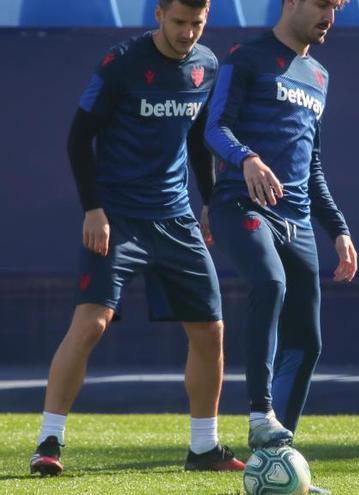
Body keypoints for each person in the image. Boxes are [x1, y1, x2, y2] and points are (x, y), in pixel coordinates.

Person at [29, 0, 245, 476]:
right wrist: (93, 208)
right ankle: (48, 442)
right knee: (91, 325)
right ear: (158, 15)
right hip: (117, 217)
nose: (188, 32)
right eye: (179, 22)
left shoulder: (208, 65)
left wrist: (207, 200)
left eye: (198, 23)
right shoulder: (121, 62)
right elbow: (78, 137)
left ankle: (203, 449)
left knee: (211, 330)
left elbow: (195, 139)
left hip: (175, 218)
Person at [204, 0, 357, 459]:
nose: (329, 15)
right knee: (270, 283)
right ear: (290, 2)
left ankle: (274, 453)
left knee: (308, 342)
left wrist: (339, 230)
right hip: (241, 204)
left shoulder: (320, 77)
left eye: (336, 6)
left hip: (298, 220)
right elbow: (214, 128)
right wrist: (247, 158)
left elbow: (312, 167)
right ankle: (259, 412)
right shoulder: (245, 58)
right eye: (321, 3)